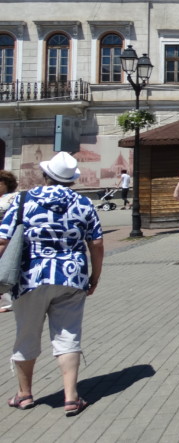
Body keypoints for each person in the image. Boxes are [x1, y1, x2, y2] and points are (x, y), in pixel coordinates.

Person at [0, 152, 103, 416]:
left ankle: (24, 395)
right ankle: (71, 397)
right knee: (68, 335)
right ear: (71, 179)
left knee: (26, 334)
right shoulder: (84, 203)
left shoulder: (23, 199)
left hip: (29, 278)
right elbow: (96, 243)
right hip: (71, 277)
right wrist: (95, 276)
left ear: (45, 175)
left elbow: (2, 240)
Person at [0, 169, 18, 312]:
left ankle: (8, 302)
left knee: (6, 268)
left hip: (7, 238)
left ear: (7, 184)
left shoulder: (12, 198)